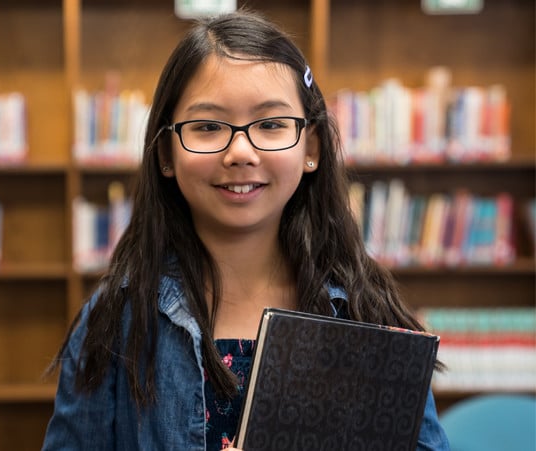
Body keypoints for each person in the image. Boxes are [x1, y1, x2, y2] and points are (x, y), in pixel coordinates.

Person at [42, 9, 450, 451]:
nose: (240, 152)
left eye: (272, 125)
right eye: (208, 127)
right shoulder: (118, 320)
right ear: (165, 153)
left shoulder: (363, 313)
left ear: (311, 146)